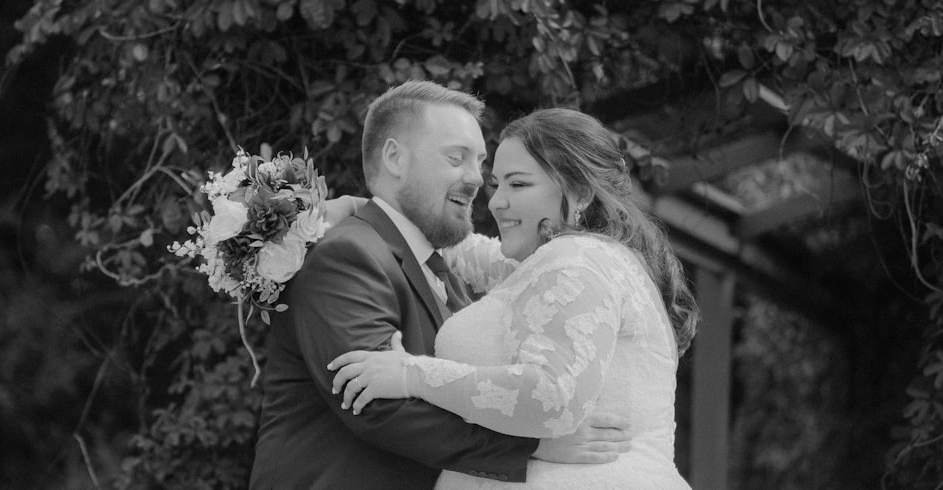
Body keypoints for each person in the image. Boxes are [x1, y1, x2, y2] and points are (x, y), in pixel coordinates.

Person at [249, 83, 629, 490]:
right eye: (456, 158)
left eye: (479, 162)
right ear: (395, 158)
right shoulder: (346, 255)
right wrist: (534, 447)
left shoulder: (443, 268)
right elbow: (376, 405)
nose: (475, 179)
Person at [328, 107, 698, 489]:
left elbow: (552, 397)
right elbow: (458, 248)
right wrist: (361, 209)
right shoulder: (572, 261)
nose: (495, 202)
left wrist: (411, 374)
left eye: (518, 185)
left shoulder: (576, 261)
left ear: (580, 193)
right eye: (497, 184)